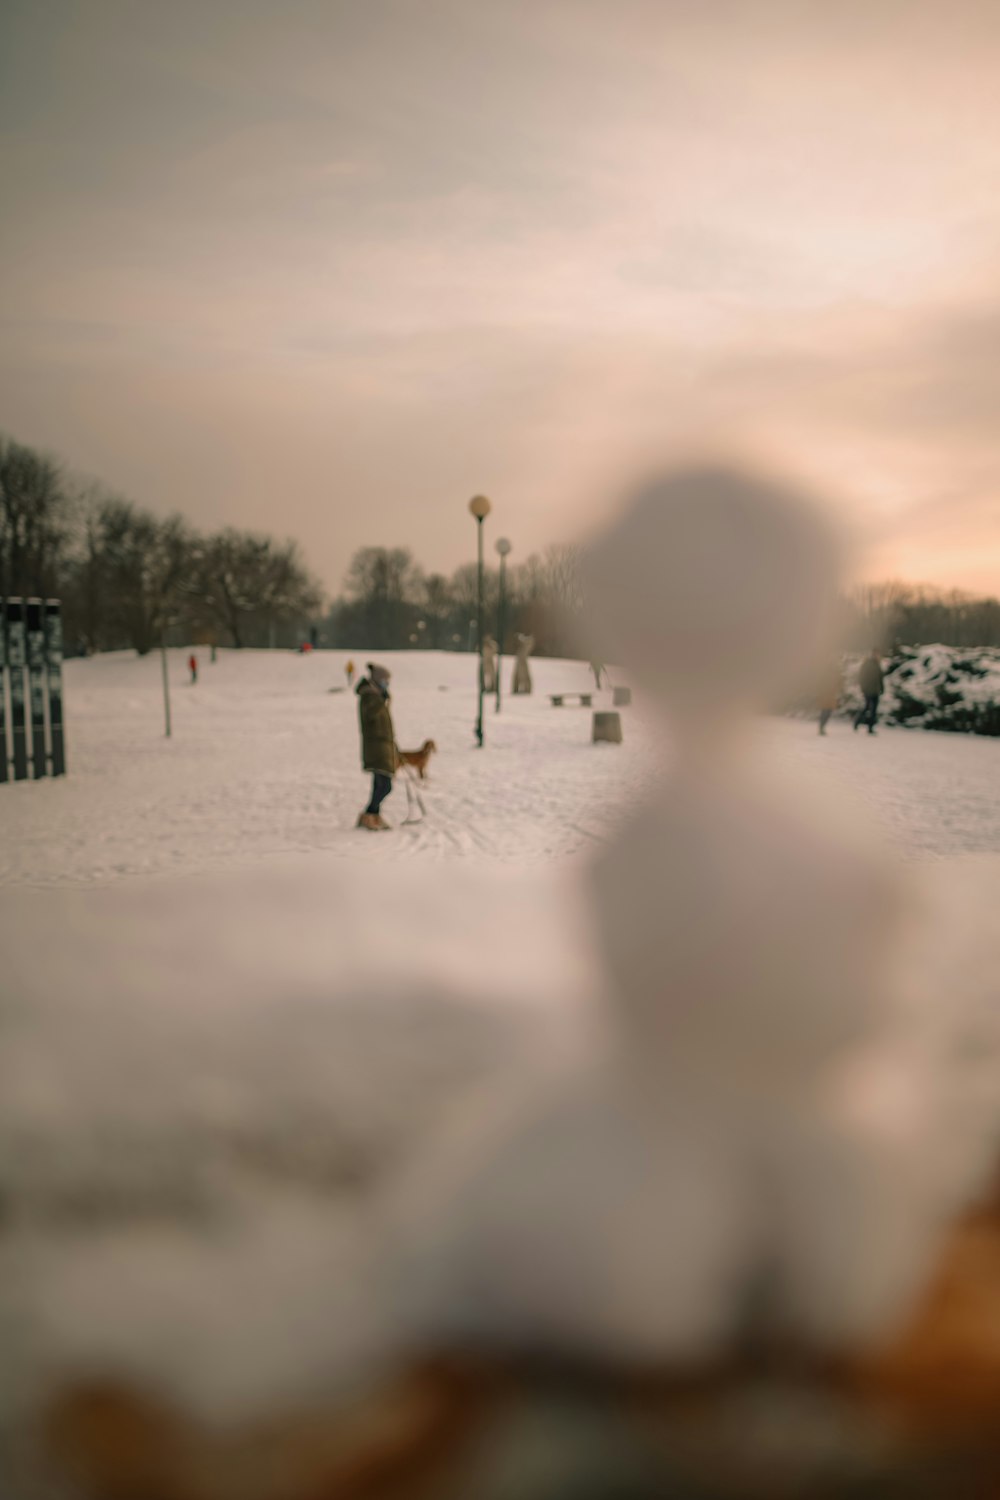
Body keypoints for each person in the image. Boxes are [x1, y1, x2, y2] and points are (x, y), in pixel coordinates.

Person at [356, 663, 398, 830]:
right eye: (386, 680)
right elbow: (371, 716)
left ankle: (374, 815)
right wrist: (382, 700)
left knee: (379, 784)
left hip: (383, 744)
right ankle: (369, 814)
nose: (387, 684)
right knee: (386, 786)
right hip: (376, 745)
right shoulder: (369, 696)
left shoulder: (375, 696)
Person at [853, 648, 884, 734]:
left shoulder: (878, 664)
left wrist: (882, 688)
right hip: (868, 689)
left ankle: (870, 727)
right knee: (867, 707)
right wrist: (863, 688)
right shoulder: (867, 664)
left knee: (874, 710)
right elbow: (862, 676)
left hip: (876, 690)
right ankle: (857, 721)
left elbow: (880, 677)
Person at [818, 658, 843, 735]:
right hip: (826, 694)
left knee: (827, 711)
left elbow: (838, 683)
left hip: (831, 694)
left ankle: (822, 727)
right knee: (825, 711)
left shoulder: (835, 674)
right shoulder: (826, 674)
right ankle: (821, 727)